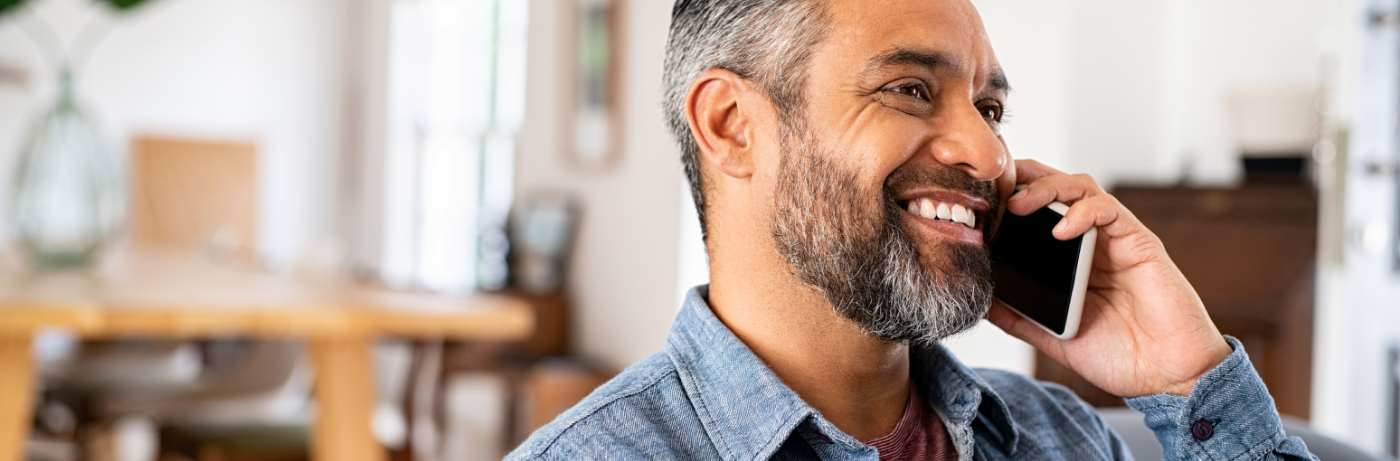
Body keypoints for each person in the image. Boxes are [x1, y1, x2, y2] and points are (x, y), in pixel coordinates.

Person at [507, 0, 1320, 459]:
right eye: (908, 89)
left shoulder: (1061, 438)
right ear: (732, 126)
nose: (988, 152)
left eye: (990, 107)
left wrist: (1188, 378)